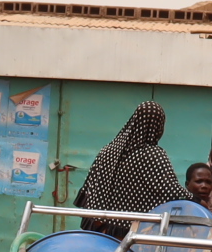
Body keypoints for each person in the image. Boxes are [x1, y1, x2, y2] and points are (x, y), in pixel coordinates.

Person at [75, 101, 183, 237]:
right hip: (132, 233)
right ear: (159, 126)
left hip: (98, 229)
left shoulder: (108, 151)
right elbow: (170, 190)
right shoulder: (154, 155)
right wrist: (195, 199)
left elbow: (90, 188)